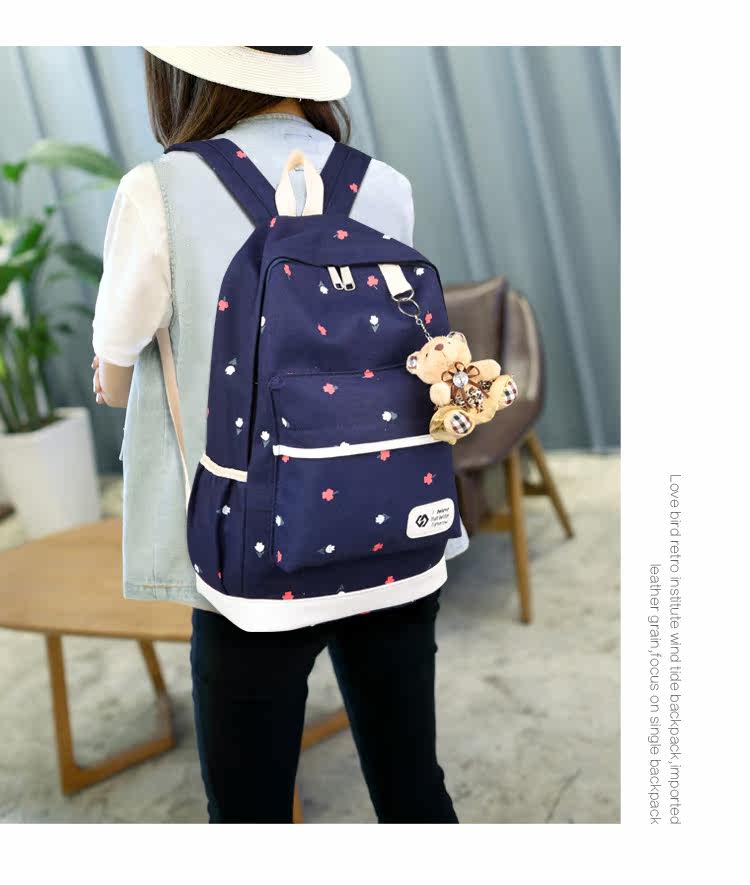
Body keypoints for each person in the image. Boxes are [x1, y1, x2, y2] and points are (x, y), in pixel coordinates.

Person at [92, 46, 463, 823]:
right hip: (396, 538)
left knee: (249, 814)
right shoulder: (384, 185)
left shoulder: (158, 191)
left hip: (253, 567)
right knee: (412, 788)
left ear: (188, 69)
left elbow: (115, 373)